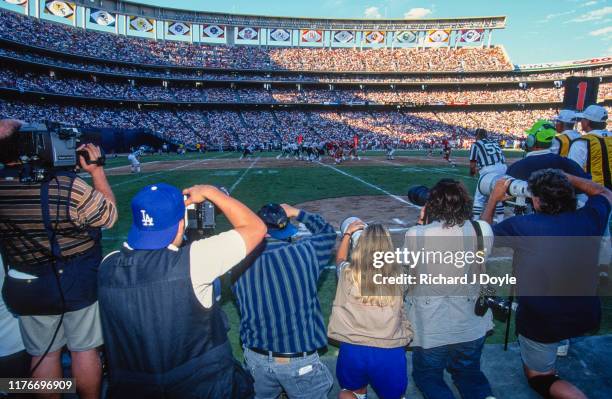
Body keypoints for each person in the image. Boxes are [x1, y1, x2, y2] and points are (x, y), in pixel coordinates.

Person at [98, 183, 266, 398]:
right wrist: (210, 192)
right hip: (200, 386)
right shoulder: (194, 262)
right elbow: (255, 228)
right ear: (181, 224)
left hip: (132, 388)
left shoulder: (108, 265)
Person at [0, 119, 117, 399]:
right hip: (74, 279)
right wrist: (97, 171)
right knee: (84, 349)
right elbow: (108, 215)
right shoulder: (65, 186)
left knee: (44, 355)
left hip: (26, 281)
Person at [481, 169, 610, 399]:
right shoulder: (591, 218)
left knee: (541, 380)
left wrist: (494, 199)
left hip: (544, 322)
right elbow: (603, 192)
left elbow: (482, 239)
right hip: (587, 314)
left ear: (537, 200)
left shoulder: (524, 225)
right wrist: (567, 178)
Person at [232, 203, 336, 399]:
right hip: (298, 361)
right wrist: (298, 212)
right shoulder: (305, 252)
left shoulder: (237, 265)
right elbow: (328, 233)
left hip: (256, 359)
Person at [405, 179, 495, 399]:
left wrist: (421, 224)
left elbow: (411, 272)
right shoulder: (481, 229)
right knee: (470, 373)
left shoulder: (415, 234)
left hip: (431, 326)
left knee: (428, 375)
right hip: (471, 320)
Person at [329, 220, 412, 399]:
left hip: (353, 349)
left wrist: (347, 235)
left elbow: (340, 260)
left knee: (349, 392)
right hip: (389, 349)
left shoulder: (347, 274)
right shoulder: (401, 276)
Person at [470, 128, 507, 222]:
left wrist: (472, 172)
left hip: (489, 170)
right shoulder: (494, 142)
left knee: (479, 197)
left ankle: (475, 220)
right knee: (498, 193)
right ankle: (500, 220)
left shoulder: (476, 144)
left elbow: (473, 162)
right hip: (503, 168)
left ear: (477, 136)